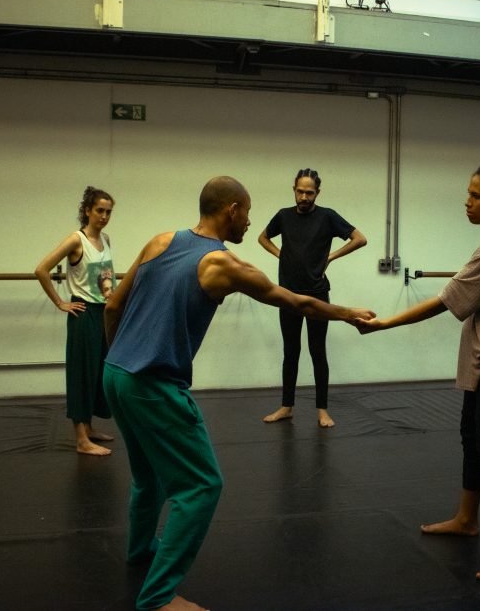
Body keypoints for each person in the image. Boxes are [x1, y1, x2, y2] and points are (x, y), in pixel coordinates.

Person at [102, 176, 374, 611]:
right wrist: (347, 313)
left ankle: (140, 553)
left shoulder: (160, 240)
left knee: (148, 476)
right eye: (247, 212)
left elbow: (114, 305)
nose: (250, 222)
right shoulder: (222, 264)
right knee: (202, 486)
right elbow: (298, 302)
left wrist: (120, 361)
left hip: (115, 373)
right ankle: (157, 598)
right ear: (231, 210)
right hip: (154, 384)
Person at [356, 152, 480, 584]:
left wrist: (385, 323)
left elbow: (447, 301)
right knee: (473, 441)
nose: (467, 201)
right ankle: (467, 519)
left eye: (475, 195)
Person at [259, 168, 367, 428]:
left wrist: (330, 257)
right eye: (300, 191)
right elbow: (262, 237)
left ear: (317, 193)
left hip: (317, 293)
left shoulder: (327, 217)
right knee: (291, 351)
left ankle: (322, 410)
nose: (304, 196)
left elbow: (360, 239)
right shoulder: (284, 216)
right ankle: (287, 406)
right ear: (294, 190)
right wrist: (280, 254)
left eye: (309, 192)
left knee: (318, 351)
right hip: (287, 294)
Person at [35, 186, 117, 456]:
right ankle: (81, 439)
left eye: (108, 211)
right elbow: (41, 270)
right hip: (83, 315)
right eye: (99, 210)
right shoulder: (76, 240)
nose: (104, 216)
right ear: (87, 211)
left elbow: (105, 277)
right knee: (82, 373)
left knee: (97, 373)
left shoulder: (105, 239)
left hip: (102, 314)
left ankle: (89, 428)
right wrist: (60, 302)